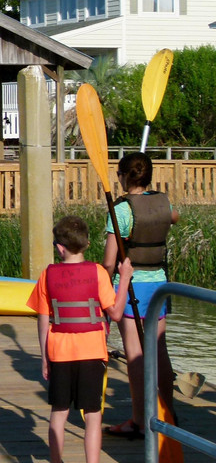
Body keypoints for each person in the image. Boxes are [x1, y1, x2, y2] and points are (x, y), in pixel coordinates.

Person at [28, 215, 133, 463]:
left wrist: (44, 358)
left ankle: (56, 461)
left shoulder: (47, 274)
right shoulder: (97, 272)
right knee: (93, 415)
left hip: (59, 352)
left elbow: (43, 321)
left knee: (59, 412)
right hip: (92, 351)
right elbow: (116, 314)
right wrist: (125, 278)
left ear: (60, 248)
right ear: (86, 244)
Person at [102, 152, 179, 439]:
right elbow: (174, 217)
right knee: (159, 351)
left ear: (124, 176)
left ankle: (138, 420)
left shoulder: (121, 211)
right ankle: (168, 412)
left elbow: (110, 262)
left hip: (132, 286)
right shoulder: (163, 202)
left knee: (134, 354)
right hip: (160, 283)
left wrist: (102, 288)